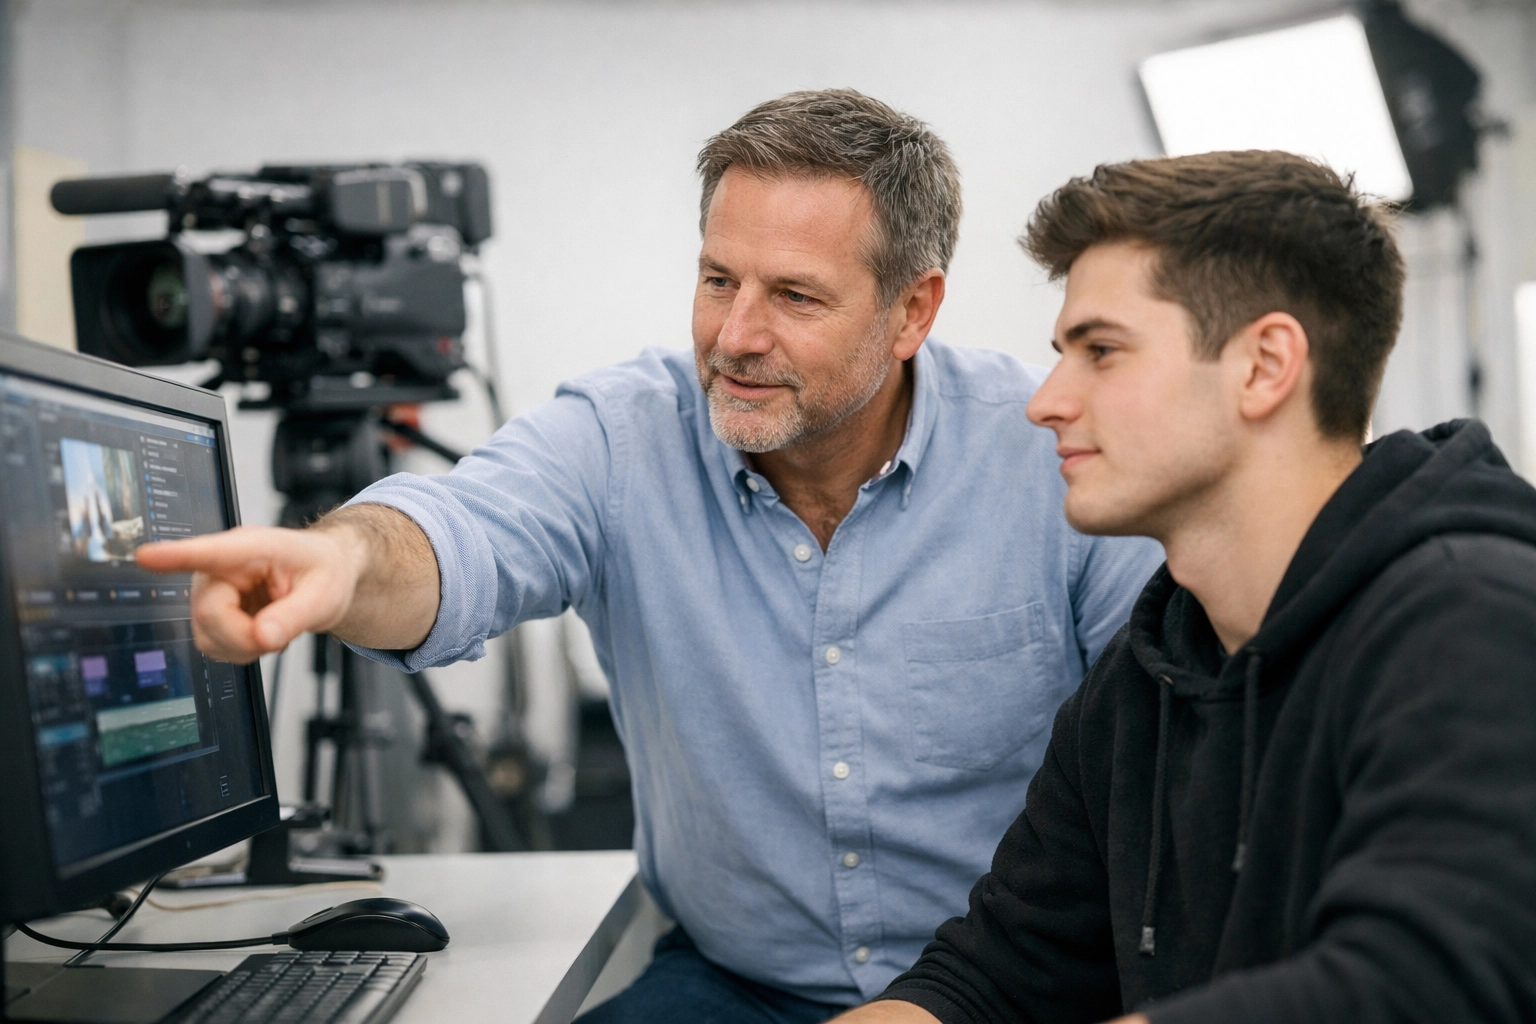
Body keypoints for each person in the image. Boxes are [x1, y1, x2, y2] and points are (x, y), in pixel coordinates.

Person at [135, 89, 1162, 1022]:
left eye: (795, 296)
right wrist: (346, 564)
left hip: (1019, 995)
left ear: (912, 310)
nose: (736, 335)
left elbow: (1173, 770)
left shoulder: (1055, 454)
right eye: (719, 278)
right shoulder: (626, 434)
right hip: (738, 988)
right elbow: (464, 531)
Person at [836, 150, 1536, 1024]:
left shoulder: (1475, 620)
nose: (1045, 401)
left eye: (1101, 351)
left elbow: (1420, 987)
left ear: (1263, 365)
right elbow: (996, 975)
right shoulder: (1145, 674)